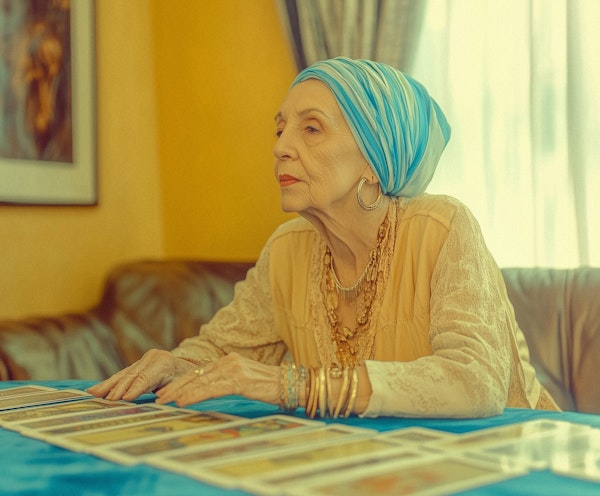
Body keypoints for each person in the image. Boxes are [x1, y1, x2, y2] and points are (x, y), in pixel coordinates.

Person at [88, 57, 559, 418]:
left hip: (506, 463)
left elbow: (475, 382)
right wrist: (178, 363)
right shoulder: (288, 248)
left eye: (311, 128)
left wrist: (291, 386)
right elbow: (226, 353)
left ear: (373, 160)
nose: (280, 147)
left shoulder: (443, 227)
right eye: (281, 128)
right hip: (379, 469)